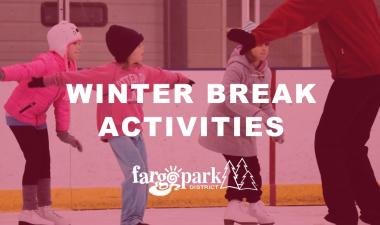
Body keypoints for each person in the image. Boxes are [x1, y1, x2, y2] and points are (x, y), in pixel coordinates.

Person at [227, 1, 380, 225]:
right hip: (375, 73)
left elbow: (294, 12)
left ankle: (343, 214)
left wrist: (256, 36)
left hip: (356, 74)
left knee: (328, 144)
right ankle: (374, 210)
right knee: (352, 146)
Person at [28, 25, 194, 225]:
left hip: (135, 132)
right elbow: (75, 77)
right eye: (139, 46)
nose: (143, 50)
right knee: (137, 172)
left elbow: (162, 76)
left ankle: (136, 219)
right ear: (127, 50)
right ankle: (130, 220)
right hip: (116, 130)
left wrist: (182, 80)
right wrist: (44, 80)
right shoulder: (108, 73)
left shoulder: (143, 71)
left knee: (142, 176)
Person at [199, 21, 284, 225]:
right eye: (259, 44)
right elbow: (229, 97)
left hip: (242, 126)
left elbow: (264, 103)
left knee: (244, 166)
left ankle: (235, 207)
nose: (264, 48)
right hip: (223, 124)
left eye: (267, 44)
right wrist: (256, 114)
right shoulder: (236, 68)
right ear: (247, 46)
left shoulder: (265, 72)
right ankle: (252, 204)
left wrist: (274, 124)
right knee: (246, 165)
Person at [0, 21, 83, 225]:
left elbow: (62, 102)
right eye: (75, 43)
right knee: (35, 159)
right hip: (19, 116)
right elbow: (25, 70)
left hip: (38, 118)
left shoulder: (68, 69)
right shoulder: (47, 62)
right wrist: (3, 73)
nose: (79, 47)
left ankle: (44, 208)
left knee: (45, 161)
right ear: (63, 44)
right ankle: (27, 212)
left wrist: (63, 132)